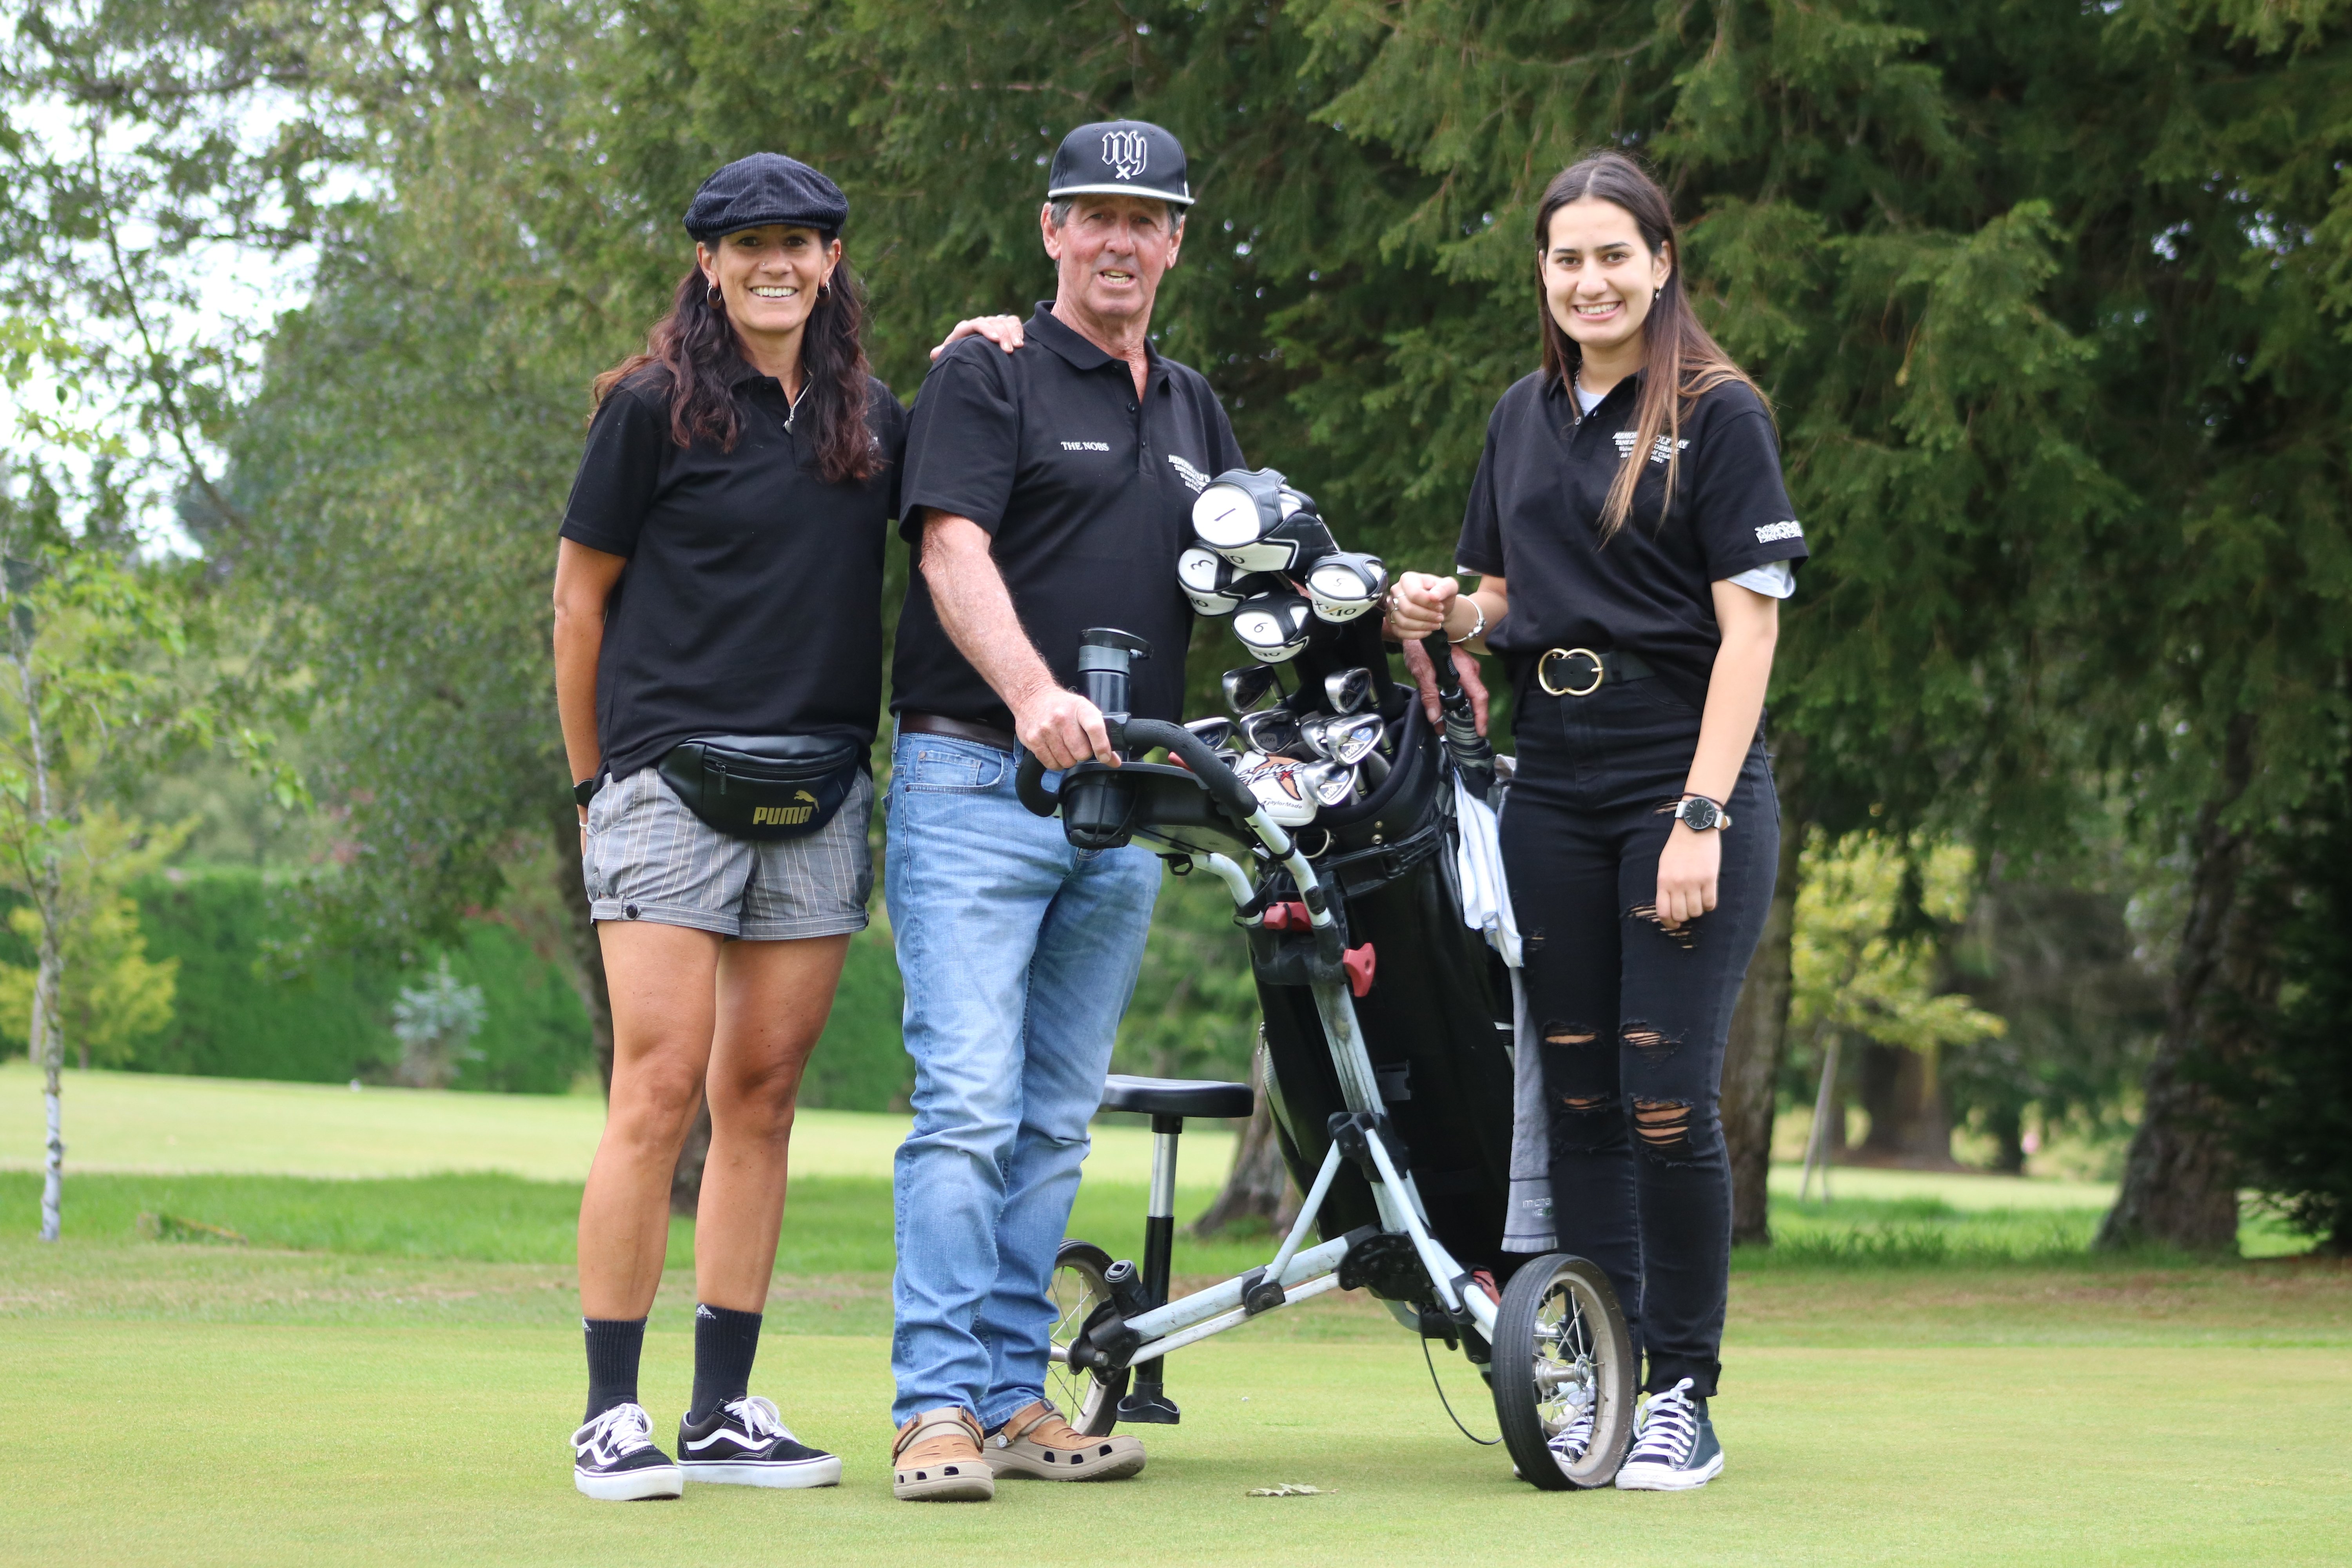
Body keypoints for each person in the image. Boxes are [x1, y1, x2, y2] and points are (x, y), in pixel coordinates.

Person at [552, 152, 1016, 1501]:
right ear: (709, 263)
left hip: (817, 790)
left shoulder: (870, 413)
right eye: (748, 243)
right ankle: (608, 1412)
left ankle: (721, 1412)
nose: (775, 264)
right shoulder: (648, 409)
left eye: (799, 244)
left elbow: (969, 473)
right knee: (657, 1089)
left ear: (829, 262)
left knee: (758, 1099)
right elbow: (579, 606)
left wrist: (988, 347)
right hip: (664, 784)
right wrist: (596, 787)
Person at [1386, 149, 1809, 1493]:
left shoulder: (1721, 412)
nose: (1590, 280)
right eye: (1566, 258)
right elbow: (1510, 596)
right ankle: (1608, 1375)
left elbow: (1750, 636)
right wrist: (1449, 614)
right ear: (1545, 274)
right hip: (1551, 783)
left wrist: (1701, 814)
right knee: (1575, 1096)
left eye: (1613, 254)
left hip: (1680, 777)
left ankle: (1686, 1392)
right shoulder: (1522, 412)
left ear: (1661, 262)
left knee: (1665, 1096)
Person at [881, 119, 1246, 1503]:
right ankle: (931, 1413)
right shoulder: (991, 371)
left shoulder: (1195, 408)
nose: (1118, 239)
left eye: (1145, 219)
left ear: (1175, 242)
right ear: (1052, 231)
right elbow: (950, 549)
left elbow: (1256, 570)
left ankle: (1008, 1397)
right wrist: (1034, 690)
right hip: (980, 779)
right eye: (1092, 214)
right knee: (969, 1109)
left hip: (1124, 812)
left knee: (1050, 1124)